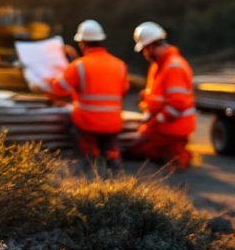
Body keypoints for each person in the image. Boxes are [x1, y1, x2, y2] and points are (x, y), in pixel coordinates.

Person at [47, 20, 129, 173]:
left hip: (87, 124)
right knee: (110, 144)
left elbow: (59, 89)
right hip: (113, 124)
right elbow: (123, 90)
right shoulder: (120, 64)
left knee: (75, 130)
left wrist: (49, 80)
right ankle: (114, 162)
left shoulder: (79, 66)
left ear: (82, 43)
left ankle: (86, 159)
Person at [127, 21, 197, 168]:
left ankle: (177, 155)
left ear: (150, 47)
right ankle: (172, 154)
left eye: (144, 50)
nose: (144, 54)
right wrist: (146, 97)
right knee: (133, 146)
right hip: (164, 126)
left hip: (171, 129)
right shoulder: (159, 65)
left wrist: (155, 121)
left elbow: (176, 105)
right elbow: (158, 94)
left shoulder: (173, 67)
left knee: (134, 150)